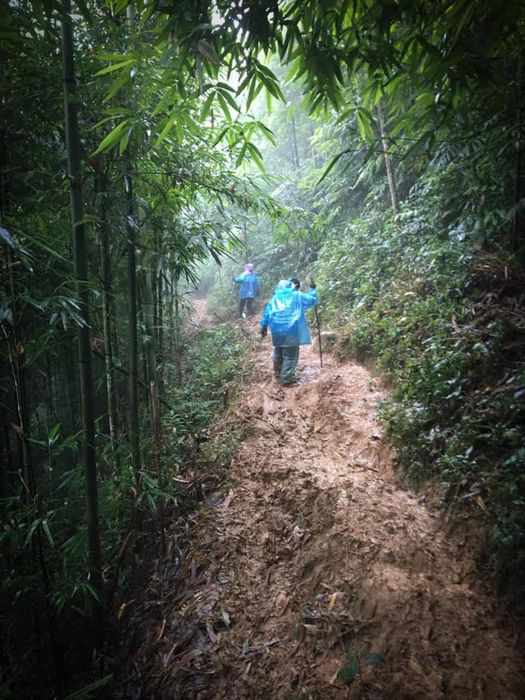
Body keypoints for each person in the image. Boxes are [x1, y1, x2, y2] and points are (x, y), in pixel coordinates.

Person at [259, 277, 317, 386]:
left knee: (278, 349)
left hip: (276, 329)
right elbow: (312, 300)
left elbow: (267, 313)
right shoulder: (297, 295)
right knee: (290, 355)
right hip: (291, 329)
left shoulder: (275, 298)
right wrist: (313, 290)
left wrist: (263, 326)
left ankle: (278, 372)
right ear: (291, 286)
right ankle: (286, 379)